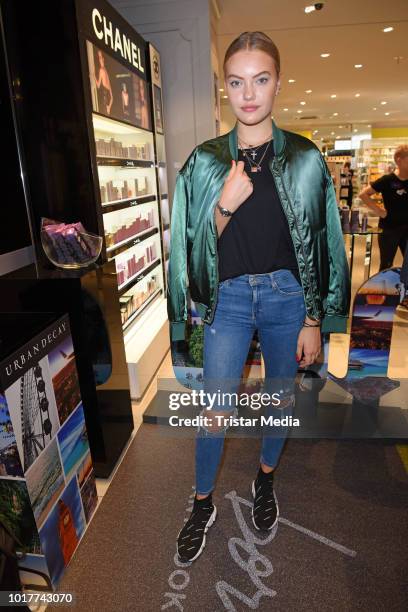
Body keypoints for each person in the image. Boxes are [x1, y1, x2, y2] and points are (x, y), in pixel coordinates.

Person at [166, 31, 350, 563]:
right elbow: (187, 253)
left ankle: (265, 479)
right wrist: (222, 207)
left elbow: (322, 243)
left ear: (278, 84)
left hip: (287, 299)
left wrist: (315, 317)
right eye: (237, 82)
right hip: (226, 302)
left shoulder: (307, 159)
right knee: (214, 410)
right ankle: (202, 502)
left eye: (261, 80)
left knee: (279, 400)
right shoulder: (203, 164)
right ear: (225, 88)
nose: (249, 94)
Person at [359, 145, 408, 270]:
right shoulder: (387, 180)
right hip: (389, 229)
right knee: (386, 265)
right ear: (399, 160)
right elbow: (364, 194)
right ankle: (383, 289)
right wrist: (380, 212)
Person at [95, 50, 113, 115]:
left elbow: (98, 85)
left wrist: (94, 75)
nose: (100, 59)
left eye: (100, 57)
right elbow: (112, 97)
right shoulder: (105, 70)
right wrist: (109, 107)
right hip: (106, 100)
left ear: (103, 58)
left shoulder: (102, 70)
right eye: (99, 57)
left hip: (105, 98)